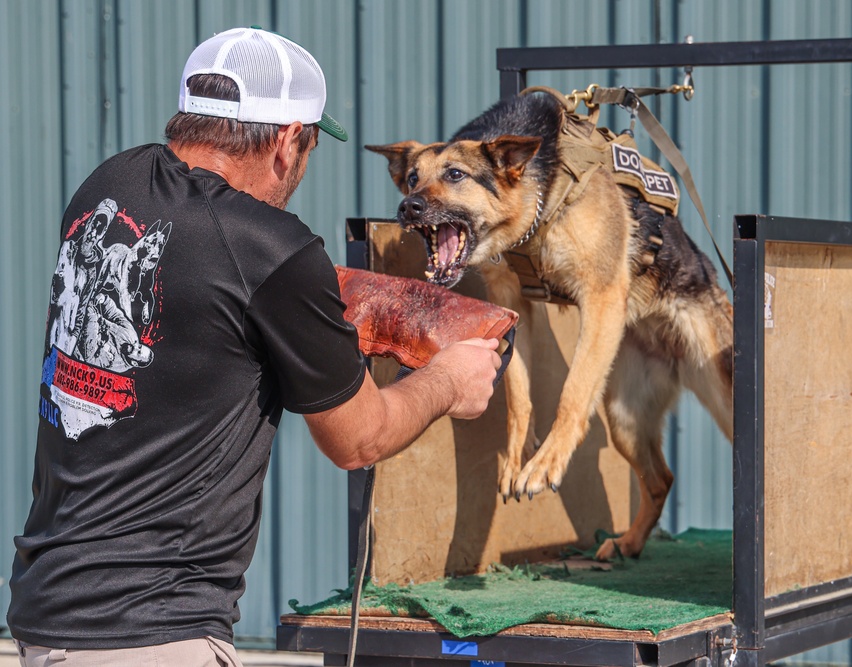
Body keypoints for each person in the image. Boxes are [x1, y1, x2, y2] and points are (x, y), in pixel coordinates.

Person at [8, 26, 501, 666]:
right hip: (154, 631)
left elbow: (200, 293)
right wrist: (450, 379)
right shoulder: (273, 248)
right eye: (310, 145)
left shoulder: (110, 184)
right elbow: (359, 439)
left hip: (47, 611)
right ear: (287, 138)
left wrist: (319, 302)